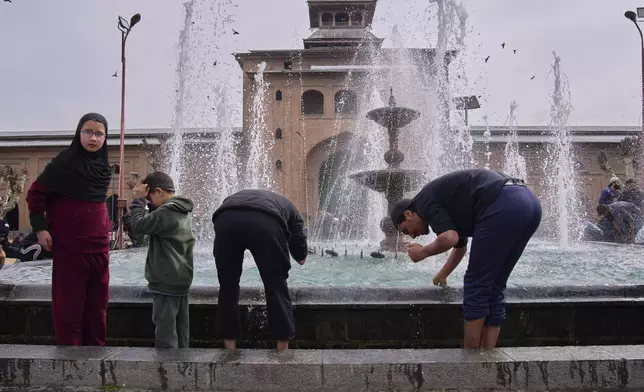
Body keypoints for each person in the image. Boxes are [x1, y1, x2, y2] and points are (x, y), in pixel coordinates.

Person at [390, 169, 542, 349]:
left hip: (503, 203)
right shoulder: (441, 205)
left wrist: (423, 252)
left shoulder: (423, 202)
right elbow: (459, 246)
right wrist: (442, 274)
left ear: (408, 214)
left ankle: (471, 359)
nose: (412, 236)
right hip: (528, 203)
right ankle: (488, 354)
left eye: (406, 230)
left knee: (476, 284)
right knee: (495, 284)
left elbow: (449, 238)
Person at [26, 113, 112, 346]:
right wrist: (41, 229)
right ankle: (70, 358)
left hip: (99, 248)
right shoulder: (65, 162)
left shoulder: (104, 167)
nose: (93, 138)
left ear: (105, 137)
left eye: (99, 134)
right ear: (78, 133)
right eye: (88, 132)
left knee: (98, 307)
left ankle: (95, 356)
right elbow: (35, 194)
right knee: (69, 308)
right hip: (71, 248)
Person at [212, 189, 308, 352]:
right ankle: (282, 348)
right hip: (265, 221)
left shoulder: (249, 197)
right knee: (276, 285)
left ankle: (229, 347)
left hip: (225, 219)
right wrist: (299, 253)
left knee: (228, 285)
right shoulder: (292, 211)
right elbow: (301, 257)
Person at [128, 172, 195, 349]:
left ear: (158, 191)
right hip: (180, 276)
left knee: (165, 328)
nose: (149, 203)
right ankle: (182, 365)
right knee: (181, 328)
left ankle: (167, 369)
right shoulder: (180, 209)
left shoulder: (168, 211)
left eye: (150, 198)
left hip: (166, 278)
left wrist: (139, 201)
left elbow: (139, 226)